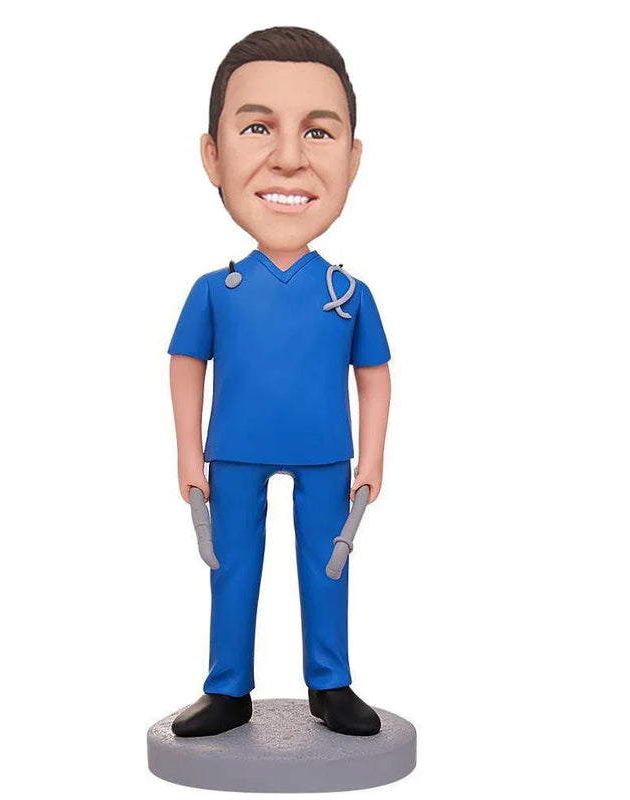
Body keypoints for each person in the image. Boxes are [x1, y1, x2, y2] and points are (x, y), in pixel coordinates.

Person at [167, 26, 392, 737]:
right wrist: (187, 454)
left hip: (326, 453)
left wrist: (373, 458)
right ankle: (226, 687)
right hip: (233, 452)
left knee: (329, 566)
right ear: (213, 155)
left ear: (352, 159)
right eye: (258, 127)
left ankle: (330, 682)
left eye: (318, 133)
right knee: (231, 565)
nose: (289, 158)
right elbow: (185, 364)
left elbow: (375, 376)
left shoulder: (347, 292)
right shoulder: (215, 290)